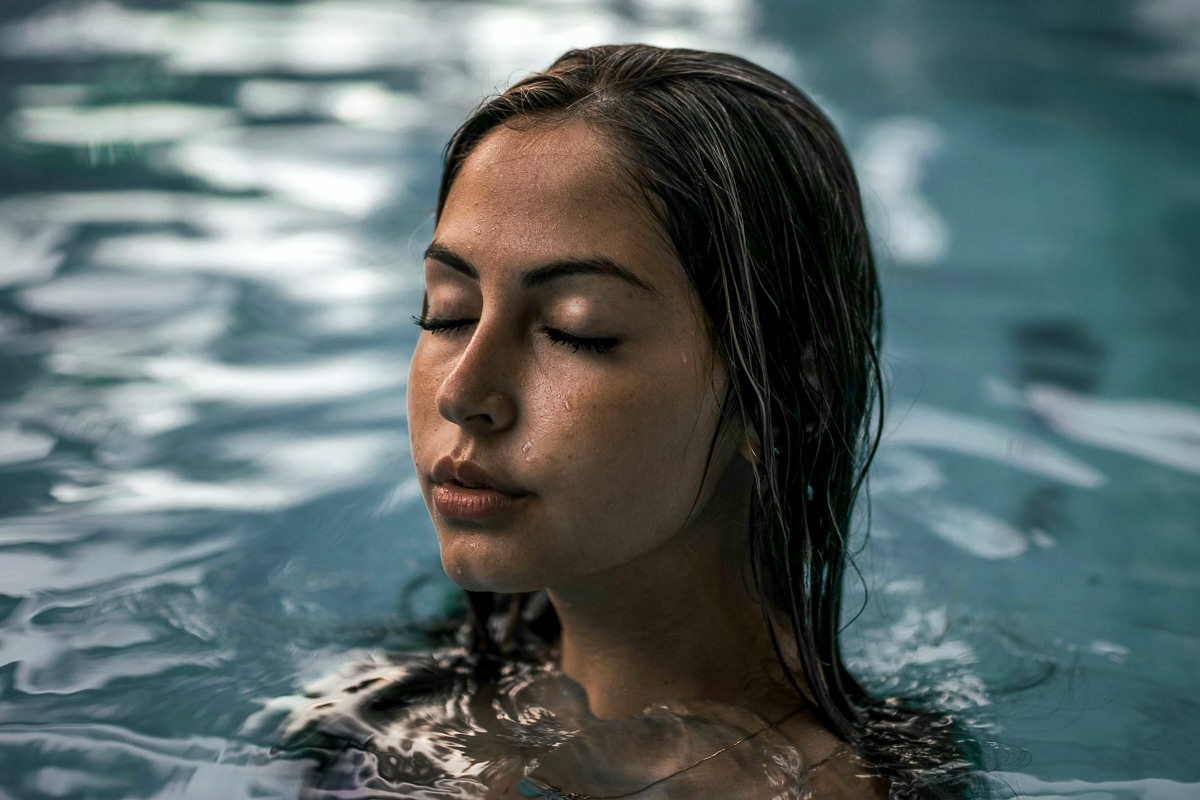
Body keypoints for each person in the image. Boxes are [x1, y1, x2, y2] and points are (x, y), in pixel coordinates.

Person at [280, 44, 984, 799]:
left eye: (577, 329)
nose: (464, 391)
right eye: (447, 312)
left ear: (780, 392)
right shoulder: (371, 719)